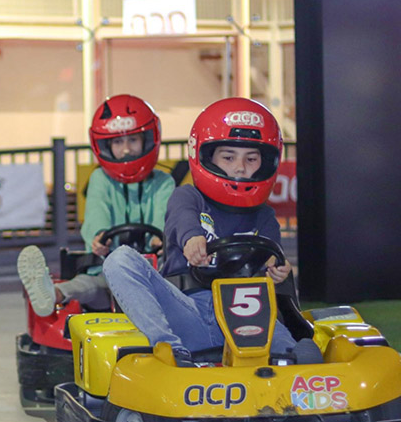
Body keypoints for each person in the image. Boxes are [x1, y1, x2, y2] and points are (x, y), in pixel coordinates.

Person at [103, 97, 316, 366]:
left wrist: (278, 269)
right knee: (120, 259)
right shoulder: (188, 197)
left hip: (247, 317)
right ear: (205, 156)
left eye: (251, 158)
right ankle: (170, 350)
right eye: (229, 157)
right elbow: (183, 219)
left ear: (266, 163)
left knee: (295, 350)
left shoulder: (264, 216)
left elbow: (273, 255)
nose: (240, 167)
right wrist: (192, 239)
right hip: (187, 311)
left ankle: (295, 364)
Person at [17, 94, 175, 317]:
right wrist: (100, 236)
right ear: (106, 146)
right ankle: (53, 293)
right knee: (88, 286)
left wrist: (160, 239)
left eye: (133, 140)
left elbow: (164, 215)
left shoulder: (163, 182)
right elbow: (96, 213)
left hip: (154, 272)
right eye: (118, 142)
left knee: (180, 284)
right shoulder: (100, 179)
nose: (126, 149)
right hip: (107, 270)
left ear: (148, 140)